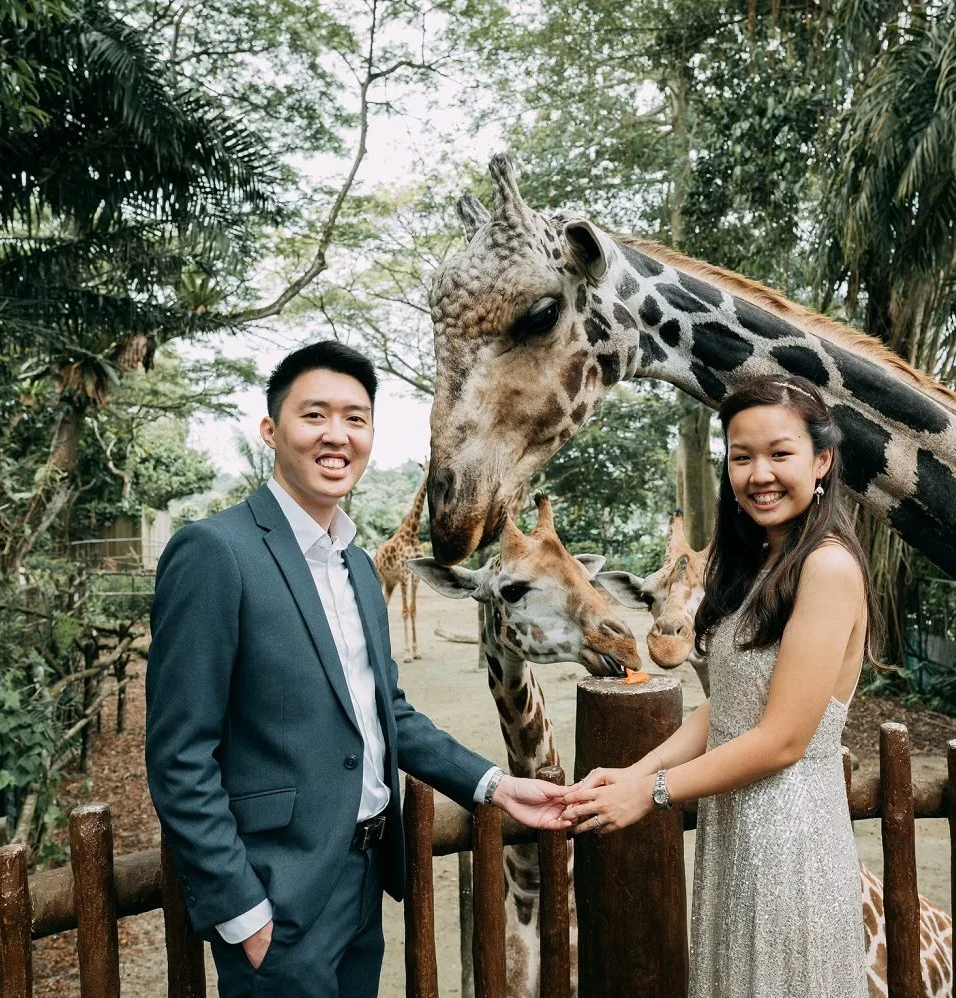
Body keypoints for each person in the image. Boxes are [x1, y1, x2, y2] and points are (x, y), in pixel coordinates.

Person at [145, 341, 570, 998]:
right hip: (278, 898)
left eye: (355, 418)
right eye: (314, 415)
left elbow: (386, 709)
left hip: (365, 879)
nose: (336, 435)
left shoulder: (359, 569)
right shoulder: (214, 553)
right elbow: (179, 756)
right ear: (271, 429)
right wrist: (242, 910)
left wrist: (491, 783)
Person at [561, 374, 880, 996]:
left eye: (779, 453)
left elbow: (783, 739)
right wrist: (634, 772)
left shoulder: (829, 567)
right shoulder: (760, 563)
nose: (759, 473)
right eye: (741, 456)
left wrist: (649, 793)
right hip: (736, 832)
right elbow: (725, 707)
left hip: (791, 839)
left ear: (822, 460)